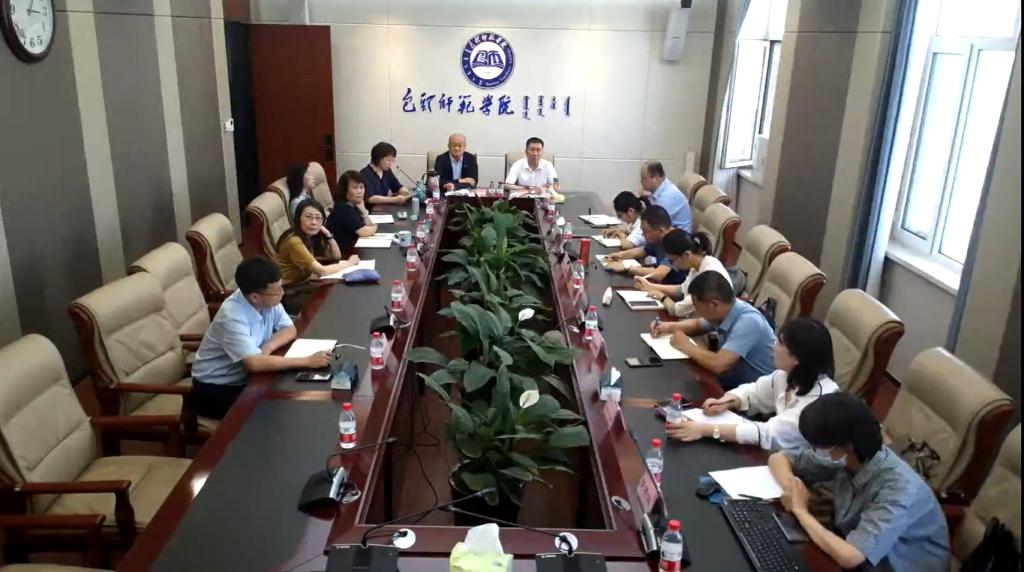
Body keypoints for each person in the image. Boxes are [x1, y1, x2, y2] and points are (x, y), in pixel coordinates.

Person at [769, 393, 950, 570]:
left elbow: (850, 556)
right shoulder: (847, 456)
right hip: (852, 551)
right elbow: (779, 459)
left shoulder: (898, 489)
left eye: (818, 446)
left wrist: (800, 511)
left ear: (847, 446)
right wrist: (792, 488)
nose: (815, 451)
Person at [666, 317, 839, 450]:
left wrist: (705, 430)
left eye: (780, 343)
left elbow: (768, 434)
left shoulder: (819, 402)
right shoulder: (786, 376)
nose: (773, 346)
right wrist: (728, 401)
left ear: (797, 358)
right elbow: (754, 392)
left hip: (802, 474)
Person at [191, 257, 332, 419]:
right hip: (216, 388)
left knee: (288, 395)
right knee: (273, 410)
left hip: (247, 378)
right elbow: (254, 364)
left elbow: (289, 329)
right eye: (277, 290)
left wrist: (268, 347)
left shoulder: (268, 299)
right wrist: (308, 361)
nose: (282, 293)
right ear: (255, 297)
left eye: (281, 287)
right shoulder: (232, 317)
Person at [652, 272, 775, 390]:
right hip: (734, 381)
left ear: (714, 304)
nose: (696, 311)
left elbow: (718, 364)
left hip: (756, 394)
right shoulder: (727, 309)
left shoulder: (748, 322)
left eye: (696, 306)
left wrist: (686, 345)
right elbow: (697, 325)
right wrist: (666, 327)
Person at [275, 199, 359, 313]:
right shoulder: (294, 242)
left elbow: (336, 256)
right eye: (308, 217)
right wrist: (349, 263)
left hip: (303, 286)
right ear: (298, 219)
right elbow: (322, 271)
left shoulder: (310, 237)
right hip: (289, 294)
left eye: (318, 218)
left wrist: (328, 234)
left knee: (341, 291)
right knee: (333, 302)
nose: (313, 222)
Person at [633, 231, 731, 316]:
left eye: (671, 261)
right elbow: (682, 289)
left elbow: (676, 310)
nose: (671, 265)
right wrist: (650, 286)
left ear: (686, 255)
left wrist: (661, 296)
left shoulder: (708, 276)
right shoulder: (699, 263)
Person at [605, 205, 686, 284]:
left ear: (661, 231)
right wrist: (619, 255)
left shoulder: (676, 242)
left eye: (646, 232)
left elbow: (659, 274)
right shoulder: (659, 238)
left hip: (673, 287)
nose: (643, 235)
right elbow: (642, 251)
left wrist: (627, 267)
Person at [326, 170, 378, 250]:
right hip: (343, 253)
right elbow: (364, 232)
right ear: (344, 190)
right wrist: (375, 227)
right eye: (355, 188)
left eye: (361, 187)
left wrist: (364, 212)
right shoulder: (344, 209)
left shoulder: (353, 205)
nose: (359, 191)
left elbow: (367, 225)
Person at [639, 161, 691, 232]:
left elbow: (652, 226)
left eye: (643, 178)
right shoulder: (660, 191)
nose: (641, 181)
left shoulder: (667, 197)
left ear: (656, 177)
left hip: (678, 237)